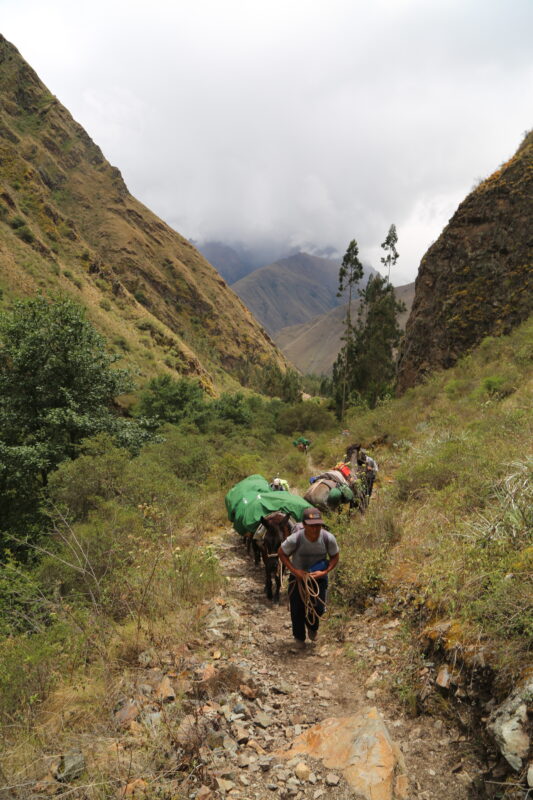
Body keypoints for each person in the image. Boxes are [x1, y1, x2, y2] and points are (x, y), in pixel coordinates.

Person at [278, 507, 339, 649]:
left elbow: (335, 557)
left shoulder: (328, 538)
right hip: (297, 578)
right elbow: (281, 553)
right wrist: (295, 571)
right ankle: (299, 638)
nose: (315, 529)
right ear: (304, 525)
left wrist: (324, 572)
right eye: (311, 526)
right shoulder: (295, 539)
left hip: (318, 577)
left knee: (318, 608)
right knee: (296, 608)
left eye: (318, 525)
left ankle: (312, 628)